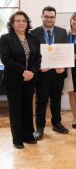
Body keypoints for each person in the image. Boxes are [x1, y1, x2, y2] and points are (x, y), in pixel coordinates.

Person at [0, 11, 41, 149]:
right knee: (16, 109)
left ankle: (28, 135)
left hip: (30, 79)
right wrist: (23, 71)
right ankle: (17, 138)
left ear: (27, 23)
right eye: (18, 21)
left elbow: (38, 58)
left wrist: (32, 72)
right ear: (12, 24)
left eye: (23, 20)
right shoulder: (5, 38)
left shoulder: (33, 38)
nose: (21, 23)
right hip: (14, 79)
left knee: (27, 108)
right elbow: (6, 59)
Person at [31, 6, 69, 139]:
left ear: (55, 18)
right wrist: (38, 67)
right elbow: (32, 55)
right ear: (41, 17)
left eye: (52, 17)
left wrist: (64, 67)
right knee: (41, 101)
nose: (49, 19)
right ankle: (40, 127)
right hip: (42, 73)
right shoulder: (33, 33)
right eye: (46, 16)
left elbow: (66, 53)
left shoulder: (62, 32)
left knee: (56, 100)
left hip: (57, 73)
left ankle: (56, 123)